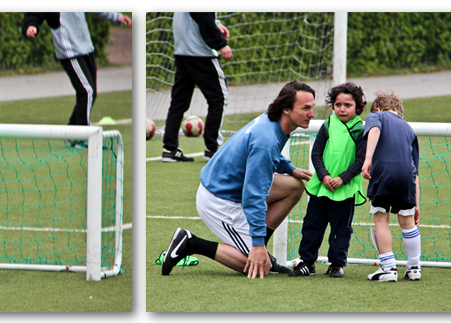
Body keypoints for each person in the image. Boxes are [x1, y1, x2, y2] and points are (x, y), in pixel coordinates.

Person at [161, 80, 316, 279]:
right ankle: (190, 242)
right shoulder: (266, 140)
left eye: (311, 107)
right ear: (286, 109)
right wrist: (257, 245)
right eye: (305, 108)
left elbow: (258, 155)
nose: (312, 113)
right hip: (219, 201)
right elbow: (254, 196)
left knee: (294, 186)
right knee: (263, 267)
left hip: (231, 189)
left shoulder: (272, 122)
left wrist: (289, 168)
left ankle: (258, 249)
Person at [289, 83, 368, 278]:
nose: (342, 108)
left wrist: (343, 178)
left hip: (345, 189)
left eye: (347, 105)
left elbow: (361, 160)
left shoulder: (360, 129)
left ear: (357, 107)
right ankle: (307, 262)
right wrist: (324, 175)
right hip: (321, 188)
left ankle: (336, 264)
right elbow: (316, 153)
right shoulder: (328, 125)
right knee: (312, 225)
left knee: (341, 230)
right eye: (338, 104)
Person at [23, 12, 130, 149]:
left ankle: (71, 132)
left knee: (91, 93)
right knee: (86, 91)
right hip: (70, 52)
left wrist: (116, 17)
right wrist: (31, 26)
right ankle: (82, 137)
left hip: (86, 48)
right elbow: (34, 13)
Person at [360, 90, 421, 282]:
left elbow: (375, 129)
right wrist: (416, 204)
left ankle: (388, 268)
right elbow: (415, 172)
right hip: (406, 178)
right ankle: (414, 268)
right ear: (400, 113)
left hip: (384, 173)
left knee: (381, 218)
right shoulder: (409, 129)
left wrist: (368, 158)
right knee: (407, 221)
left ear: (378, 108)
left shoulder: (376, 115)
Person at [161, 12, 233, 162]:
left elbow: (199, 16)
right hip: (201, 54)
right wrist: (221, 44)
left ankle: (169, 148)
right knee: (219, 98)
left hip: (182, 52)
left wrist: (217, 23)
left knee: (179, 102)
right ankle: (213, 149)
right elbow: (204, 16)